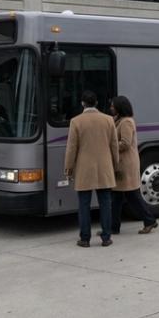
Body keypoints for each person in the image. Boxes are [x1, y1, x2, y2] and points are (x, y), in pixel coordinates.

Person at [63, 91, 119, 247]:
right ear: (97, 103)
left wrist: (68, 167)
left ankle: (85, 238)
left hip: (84, 168)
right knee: (105, 203)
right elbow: (114, 145)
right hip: (104, 167)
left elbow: (71, 147)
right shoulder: (108, 120)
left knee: (84, 204)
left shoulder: (76, 121)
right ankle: (106, 237)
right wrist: (115, 164)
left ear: (82, 103)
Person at [109, 96, 158, 235]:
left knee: (131, 195)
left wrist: (109, 147)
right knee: (117, 197)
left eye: (113, 106)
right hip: (121, 164)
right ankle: (114, 227)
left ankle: (149, 220)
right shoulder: (118, 120)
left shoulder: (126, 122)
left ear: (120, 107)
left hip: (125, 165)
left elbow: (125, 143)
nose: (111, 108)